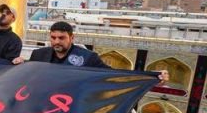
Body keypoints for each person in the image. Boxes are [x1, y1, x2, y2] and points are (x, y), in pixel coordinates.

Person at [14, 21, 170, 83]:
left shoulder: (87, 58)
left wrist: (152, 77)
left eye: (61, 38)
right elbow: (30, 71)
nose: (56, 41)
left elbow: (113, 76)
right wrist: (21, 64)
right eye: (53, 37)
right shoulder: (39, 54)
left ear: (71, 37)